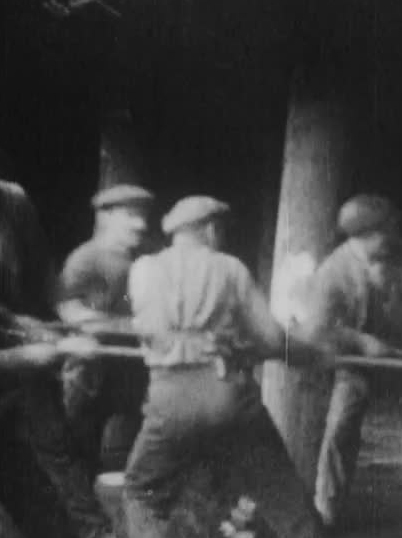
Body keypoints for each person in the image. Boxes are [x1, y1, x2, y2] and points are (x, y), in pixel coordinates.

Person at [122, 195, 327, 538]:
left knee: (141, 491)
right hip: (227, 397)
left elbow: (148, 327)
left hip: (169, 401)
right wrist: (311, 353)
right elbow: (272, 339)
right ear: (211, 230)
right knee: (283, 498)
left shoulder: (143, 270)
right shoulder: (230, 269)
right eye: (222, 230)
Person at [299, 193, 402, 528]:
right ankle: (328, 509)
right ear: (365, 235)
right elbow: (316, 331)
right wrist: (360, 342)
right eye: (387, 231)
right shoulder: (334, 271)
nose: (394, 237)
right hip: (357, 365)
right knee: (341, 425)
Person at [0, 178, 117, 538]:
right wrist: (46, 351)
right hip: (14, 362)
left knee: (56, 463)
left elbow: (43, 285)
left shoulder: (12, 201)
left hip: (21, 373)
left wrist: (63, 321)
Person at [58, 184, 154, 470]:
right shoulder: (85, 258)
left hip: (131, 370)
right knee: (81, 449)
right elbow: (66, 307)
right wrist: (107, 325)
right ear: (106, 216)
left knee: (126, 452)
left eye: (143, 216)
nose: (140, 224)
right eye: (131, 215)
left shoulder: (144, 258)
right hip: (92, 369)